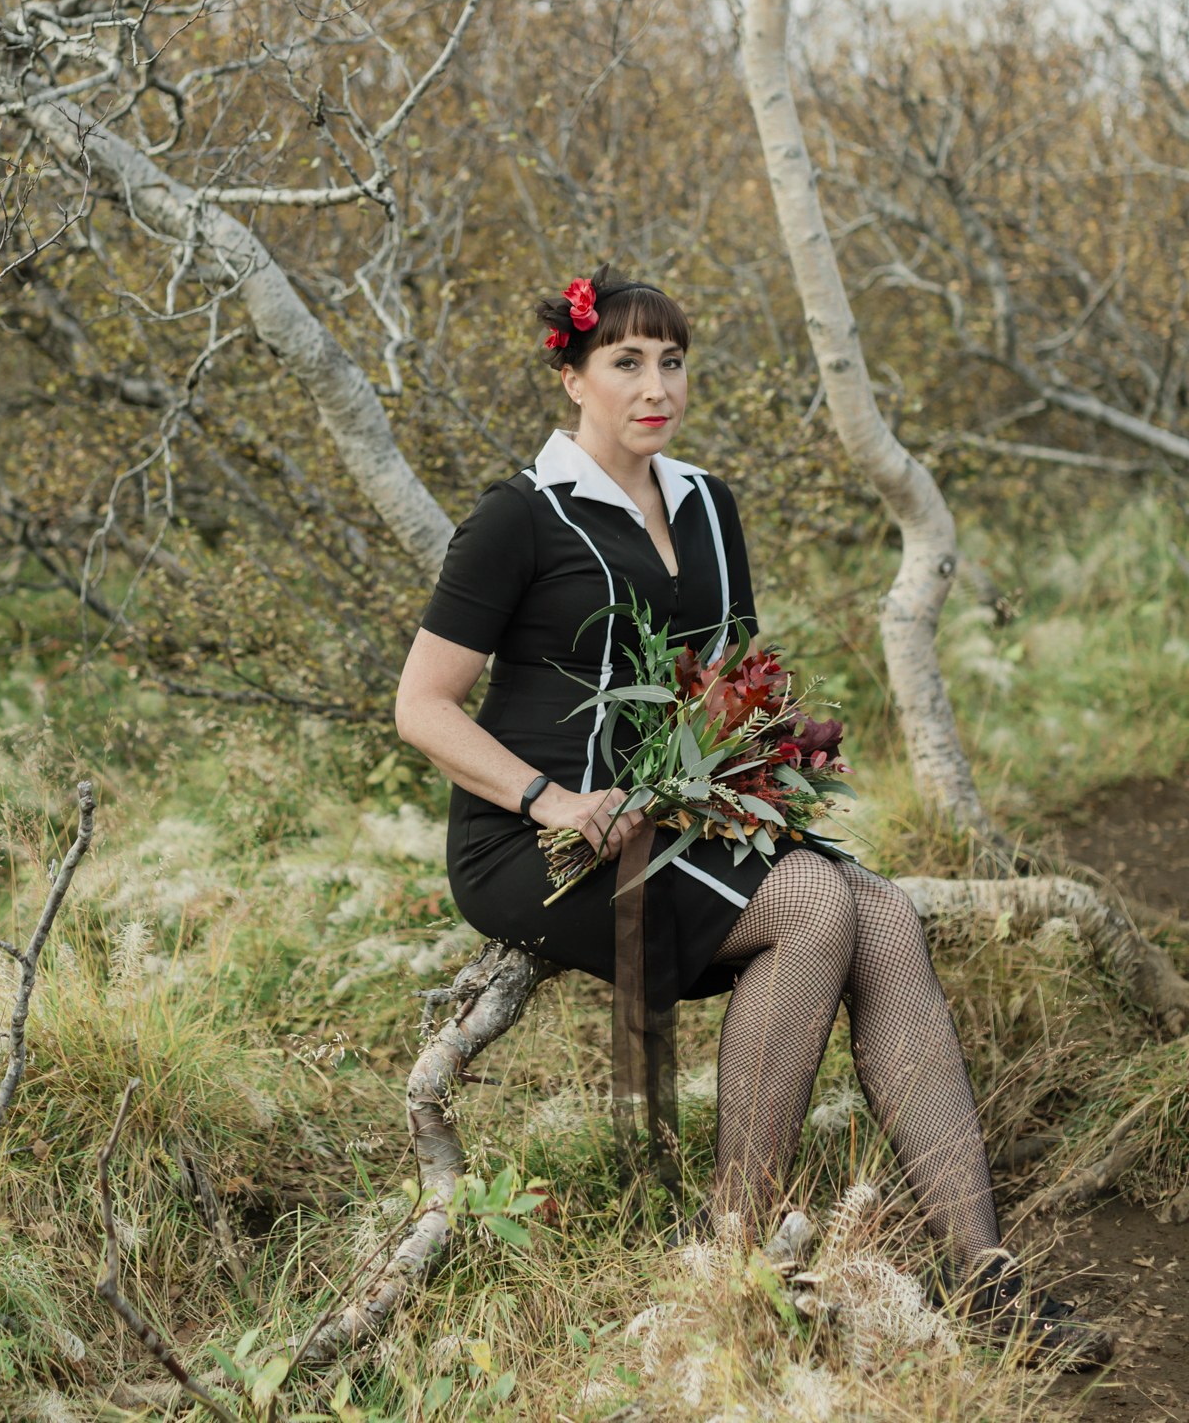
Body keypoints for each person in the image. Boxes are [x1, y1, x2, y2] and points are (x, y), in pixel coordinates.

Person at [395, 266, 1113, 1366]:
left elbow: (722, 687)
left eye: (671, 361)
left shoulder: (707, 503)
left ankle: (985, 1277)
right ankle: (735, 1261)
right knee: (819, 900)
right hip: (539, 843)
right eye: (626, 362)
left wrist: (756, 769)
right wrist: (554, 797)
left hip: (686, 822)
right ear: (573, 376)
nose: (655, 385)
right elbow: (420, 706)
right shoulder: (518, 519)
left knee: (883, 916)